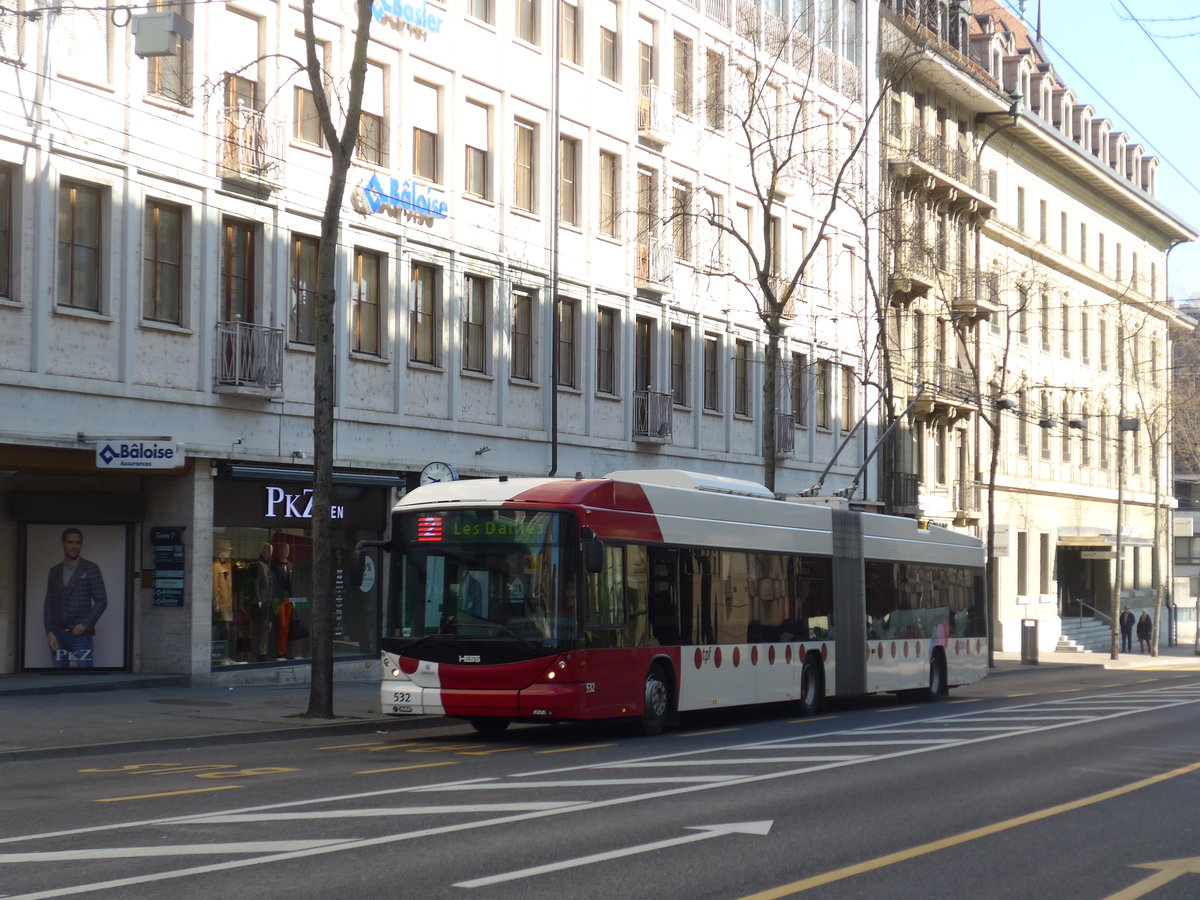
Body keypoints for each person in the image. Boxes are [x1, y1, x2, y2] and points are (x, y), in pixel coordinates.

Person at [43, 527, 108, 668]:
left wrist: (84, 625)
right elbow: (49, 603)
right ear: (63, 544)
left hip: (81, 636)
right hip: (58, 634)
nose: (74, 546)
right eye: (70, 542)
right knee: (58, 679)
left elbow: (101, 600)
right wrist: (49, 632)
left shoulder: (91, 568)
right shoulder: (54, 571)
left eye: (78, 542)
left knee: (85, 678)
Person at [270, 543, 294, 660]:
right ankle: (279, 651)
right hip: (279, 598)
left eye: (287, 550)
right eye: (284, 550)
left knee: (287, 626)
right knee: (282, 624)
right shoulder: (274, 565)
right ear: (279, 551)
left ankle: (284, 650)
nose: (286, 552)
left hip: (289, 598)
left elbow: (292, 583)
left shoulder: (290, 565)